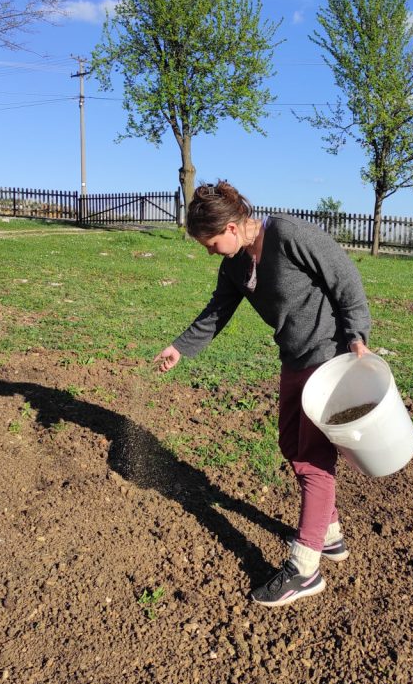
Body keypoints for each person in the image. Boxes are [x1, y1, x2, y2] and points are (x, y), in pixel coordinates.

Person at [154, 180, 371, 607]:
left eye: (213, 242)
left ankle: (304, 569)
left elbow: (344, 278)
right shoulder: (235, 265)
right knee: (291, 445)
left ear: (233, 228)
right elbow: (217, 310)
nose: (211, 251)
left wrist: (358, 336)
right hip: (294, 359)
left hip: (328, 359)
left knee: (313, 460)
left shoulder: (289, 235)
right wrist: (180, 347)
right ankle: (329, 536)